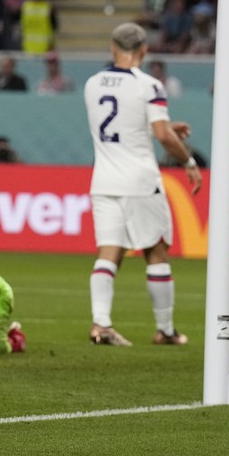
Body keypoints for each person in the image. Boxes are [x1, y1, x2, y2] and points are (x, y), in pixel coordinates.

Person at [83, 22, 202, 347]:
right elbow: (163, 136)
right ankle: (165, 330)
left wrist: (157, 125)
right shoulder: (149, 85)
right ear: (144, 50)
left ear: (112, 48)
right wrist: (188, 161)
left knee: (108, 254)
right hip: (139, 180)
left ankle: (100, 325)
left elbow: (121, 124)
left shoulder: (92, 84)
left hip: (104, 180)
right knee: (156, 252)